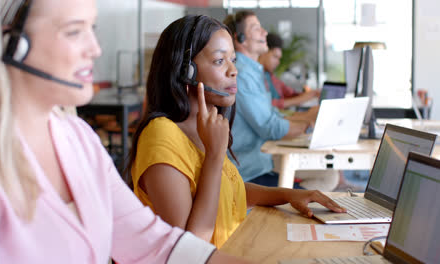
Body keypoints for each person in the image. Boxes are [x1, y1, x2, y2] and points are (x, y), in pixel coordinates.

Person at [0, 0, 250, 263]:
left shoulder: (79, 138)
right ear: (10, 44)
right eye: (73, 32)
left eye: (91, 31)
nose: (95, 49)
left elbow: (155, 243)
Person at [128, 15, 345, 249]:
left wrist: (287, 195)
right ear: (185, 71)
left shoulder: (203, 125)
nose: (234, 70)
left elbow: (229, 191)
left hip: (237, 247)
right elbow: (189, 249)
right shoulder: (161, 137)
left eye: (232, 59)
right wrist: (214, 154)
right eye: (220, 61)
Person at [223, 11, 319, 186]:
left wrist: (309, 118)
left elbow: (272, 115)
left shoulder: (252, 71)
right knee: (316, 195)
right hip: (249, 174)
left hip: (259, 165)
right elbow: (270, 127)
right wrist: (309, 126)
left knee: (325, 181)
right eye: (256, 28)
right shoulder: (242, 74)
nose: (264, 32)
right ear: (240, 38)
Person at [258, 33, 320, 109]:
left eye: (279, 58)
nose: (278, 62)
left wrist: (312, 93)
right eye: (275, 57)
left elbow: (291, 93)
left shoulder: (270, 76)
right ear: (263, 52)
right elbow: (264, 105)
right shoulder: (254, 78)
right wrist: (300, 99)